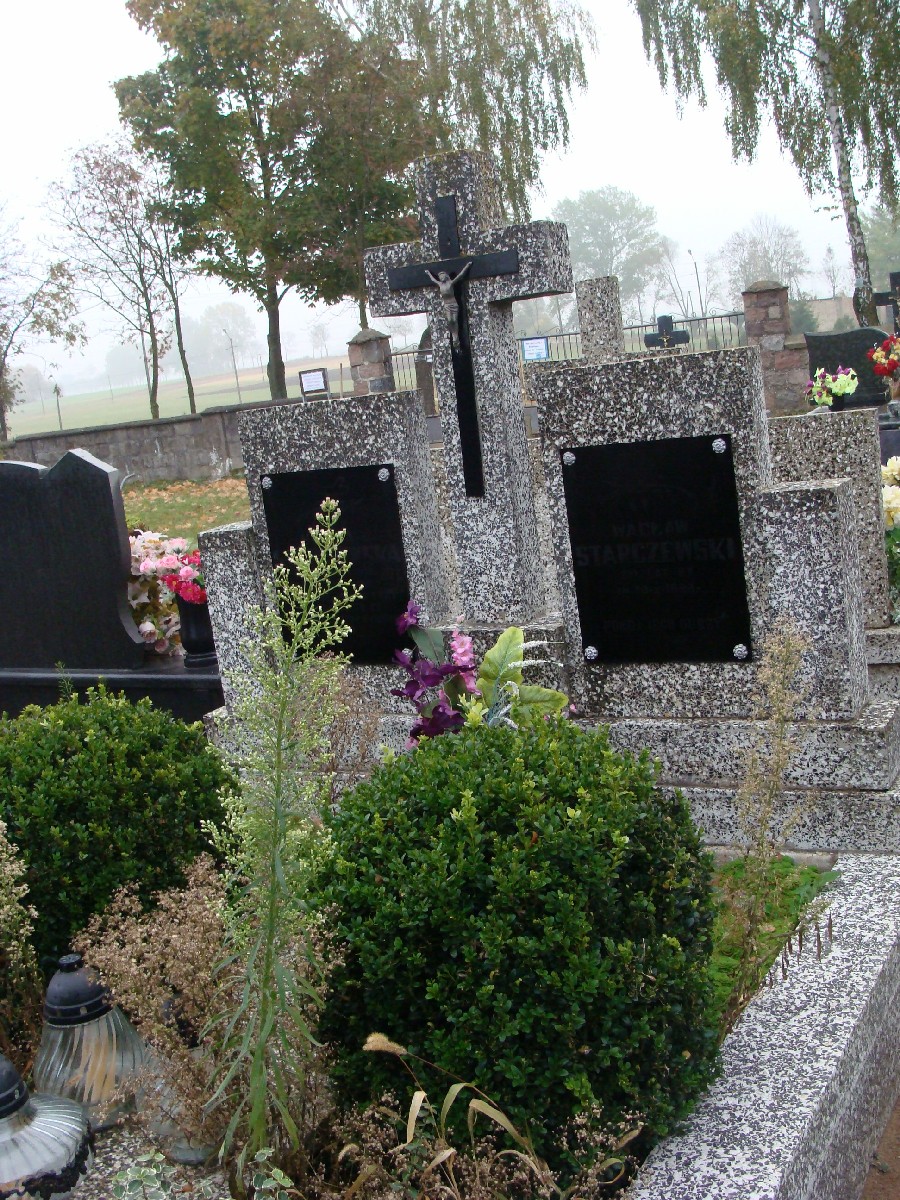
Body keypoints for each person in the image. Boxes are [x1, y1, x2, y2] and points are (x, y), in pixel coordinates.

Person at [425, 261, 472, 350]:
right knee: (450, 320)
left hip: (453, 304)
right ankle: (454, 335)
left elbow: (460, 275)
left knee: (454, 320)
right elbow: (433, 280)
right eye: (440, 277)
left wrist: (467, 265)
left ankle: (456, 337)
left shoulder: (450, 283)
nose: (441, 278)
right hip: (447, 305)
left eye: (442, 276)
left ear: (446, 276)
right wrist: (428, 273)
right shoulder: (440, 284)